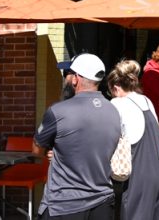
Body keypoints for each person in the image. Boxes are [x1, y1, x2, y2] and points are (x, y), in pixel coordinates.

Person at [34, 53, 122, 219]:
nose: (65, 78)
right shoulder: (114, 111)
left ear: (76, 79)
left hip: (65, 204)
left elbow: (36, 150)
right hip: (103, 202)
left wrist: (52, 151)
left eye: (67, 73)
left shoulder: (58, 111)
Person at [107, 59, 159, 220]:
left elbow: (108, 139)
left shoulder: (118, 103)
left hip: (141, 177)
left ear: (115, 88)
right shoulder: (147, 101)